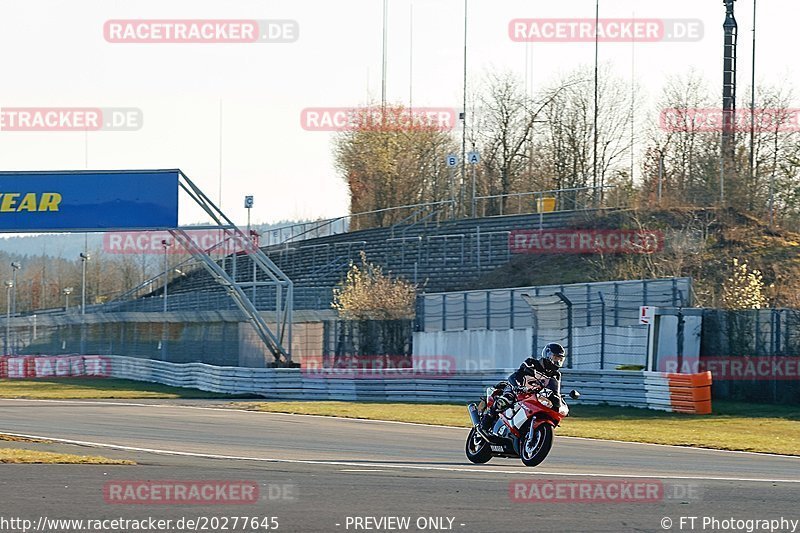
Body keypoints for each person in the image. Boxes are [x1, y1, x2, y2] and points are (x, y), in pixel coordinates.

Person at [480, 343, 566, 434]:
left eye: (560, 359)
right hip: (516, 389)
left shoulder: (556, 375)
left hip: (533, 396)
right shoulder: (531, 363)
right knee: (505, 401)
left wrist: (557, 401)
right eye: (555, 358)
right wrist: (517, 386)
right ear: (547, 355)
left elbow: (555, 390)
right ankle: (484, 426)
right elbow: (516, 375)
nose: (557, 362)